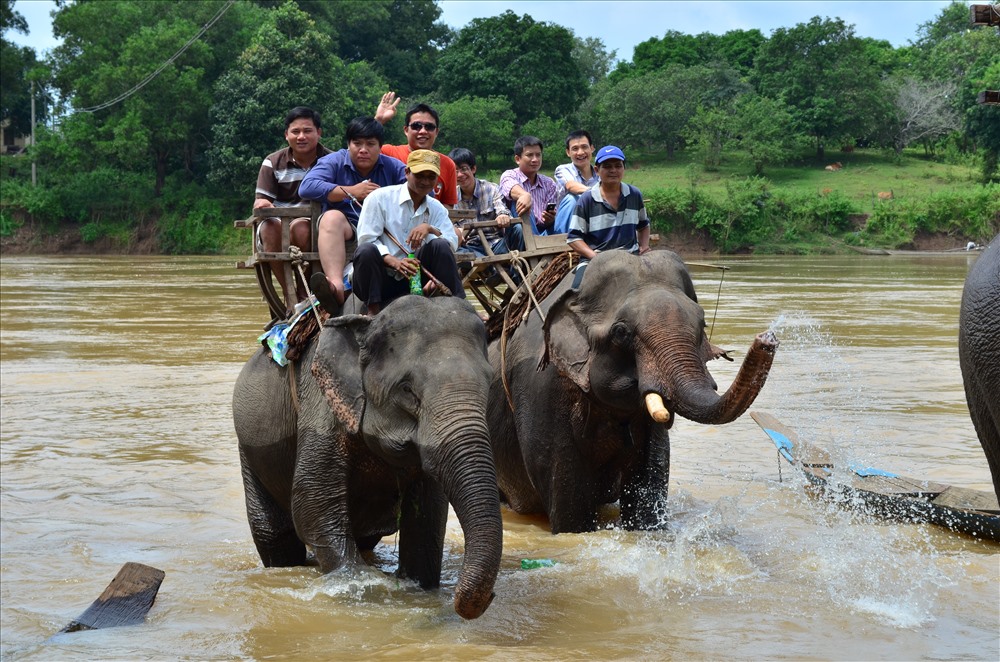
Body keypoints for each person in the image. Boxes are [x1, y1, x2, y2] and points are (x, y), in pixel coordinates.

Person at [298, 117, 406, 311]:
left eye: (370, 144)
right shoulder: (335, 161)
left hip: (384, 230)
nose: (363, 149)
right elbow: (307, 186)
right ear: (348, 144)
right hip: (349, 225)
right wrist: (352, 191)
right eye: (357, 143)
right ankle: (336, 286)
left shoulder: (394, 167)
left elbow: (421, 191)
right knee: (331, 217)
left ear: (380, 147)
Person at [352, 150, 464, 316]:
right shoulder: (379, 198)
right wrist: (394, 262)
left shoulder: (436, 207)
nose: (425, 182)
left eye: (431, 177)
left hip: (415, 278)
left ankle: (459, 304)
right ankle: (372, 311)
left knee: (440, 245)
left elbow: (451, 242)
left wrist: (429, 228)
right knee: (366, 251)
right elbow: (367, 239)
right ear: (407, 172)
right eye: (419, 175)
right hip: (381, 278)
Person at [253, 106, 332, 307]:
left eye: (307, 131)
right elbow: (261, 200)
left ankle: (303, 291)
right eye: (295, 132)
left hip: (315, 224)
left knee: (302, 228)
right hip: (278, 221)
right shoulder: (273, 162)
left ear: (319, 133)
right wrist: (262, 203)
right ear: (286, 135)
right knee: (270, 226)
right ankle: (290, 294)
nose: (301, 136)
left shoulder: (331, 160)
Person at [566, 145, 650, 285]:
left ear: (624, 168)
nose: (613, 170)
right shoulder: (586, 199)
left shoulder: (634, 194)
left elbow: (644, 225)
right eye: (607, 166)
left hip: (631, 257)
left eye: (618, 166)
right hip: (595, 259)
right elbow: (574, 238)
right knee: (576, 292)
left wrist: (644, 247)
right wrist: (595, 257)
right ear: (597, 170)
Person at [374, 92, 458, 207]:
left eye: (429, 127)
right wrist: (378, 121)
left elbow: (448, 206)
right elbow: (357, 153)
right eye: (416, 126)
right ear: (406, 130)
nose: (423, 131)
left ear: (436, 132)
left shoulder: (448, 164)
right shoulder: (387, 153)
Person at [448, 147, 525, 256]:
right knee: (452, 251)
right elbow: (449, 225)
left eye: (463, 169)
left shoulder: (491, 189)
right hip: (471, 247)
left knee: (518, 229)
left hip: (496, 243)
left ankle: (516, 272)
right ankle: (488, 270)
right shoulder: (451, 197)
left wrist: (502, 215)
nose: (460, 175)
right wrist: (456, 231)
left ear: (473, 169)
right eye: (455, 171)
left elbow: (501, 208)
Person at [498, 136, 558, 235]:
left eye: (538, 155)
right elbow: (512, 189)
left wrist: (550, 219)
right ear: (518, 159)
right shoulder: (509, 175)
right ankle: (534, 243)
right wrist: (525, 195)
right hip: (520, 233)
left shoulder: (549, 183)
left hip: (543, 231)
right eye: (530, 155)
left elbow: (549, 220)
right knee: (520, 201)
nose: (535, 159)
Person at [552, 130, 599, 234]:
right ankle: (566, 241)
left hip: (593, 224)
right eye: (575, 149)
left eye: (584, 147)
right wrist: (599, 194)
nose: (580, 152)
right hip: (566, 227)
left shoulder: (600, 175)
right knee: (573, 198)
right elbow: (571, 186)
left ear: (592, 148)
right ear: (568, 152)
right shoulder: (563, 170)